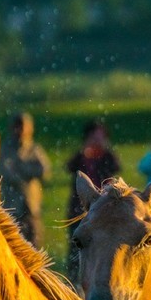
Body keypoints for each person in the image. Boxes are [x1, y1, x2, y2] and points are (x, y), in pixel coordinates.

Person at [65, 118, 121, 279]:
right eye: (94, 137)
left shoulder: (107, 157)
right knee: (77, 245)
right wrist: (83, 154)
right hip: (79, 209)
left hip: (104, 208)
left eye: (101, 137)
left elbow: (115, 168)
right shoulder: (81, 156)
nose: (98, 141)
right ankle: (75, 280)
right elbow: (69, 167)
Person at [0, 112, 51, 248]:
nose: (20, 131)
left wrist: (21, 168)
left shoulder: (35, 149)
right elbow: (5, 173)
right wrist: (28, 172)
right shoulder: (6, 149)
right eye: (17, 126)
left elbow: (45, 171)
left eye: (23, 127)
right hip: (11, 208)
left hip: (31, 207)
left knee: (35, 248)